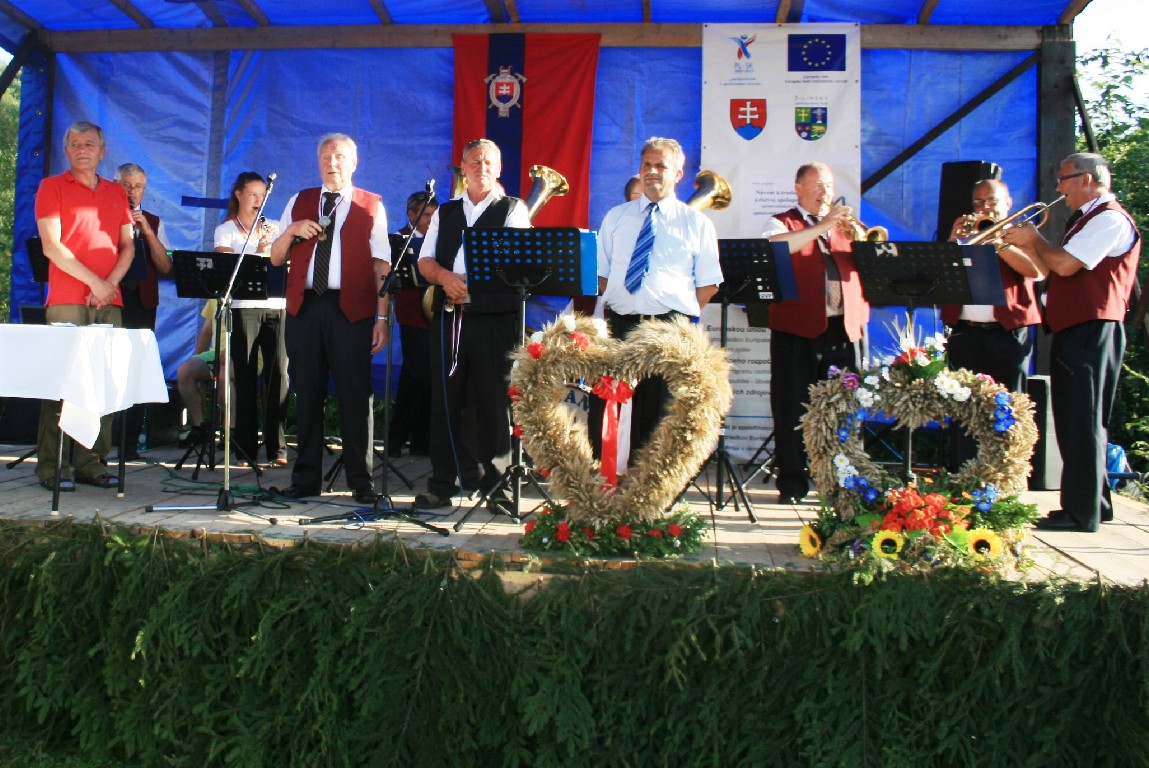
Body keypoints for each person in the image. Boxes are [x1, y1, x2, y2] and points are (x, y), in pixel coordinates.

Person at [1001, 152, 1141, 532]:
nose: (1058, 187)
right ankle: (1094, 504)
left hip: (1092, 328)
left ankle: (1080, 513)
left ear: (1087, 179)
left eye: (1064, 179)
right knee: (1078, 418)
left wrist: (1034, 238)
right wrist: (1026, 245)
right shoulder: (1086, 218)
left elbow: (1064, 265)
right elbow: (1055, 266)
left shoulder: (1109, 218)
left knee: (1083, 419)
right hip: (1078, 327)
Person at [269, 134, 391, 504]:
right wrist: (292, 231)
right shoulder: (298, 200)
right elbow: (275, 257)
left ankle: (361, 481)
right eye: (325, 156)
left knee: (355, 395)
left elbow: (381, 265)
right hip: (305, 308)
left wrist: (382, 317)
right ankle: (306, 479)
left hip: (350, 308)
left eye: (339, 157)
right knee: (307, 394)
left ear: (354, 163)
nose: (331, 163)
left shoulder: (371, 204)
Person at [591, 137, 723, 466]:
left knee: (658, 419)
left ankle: (651, 489)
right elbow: (601, 275)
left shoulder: (696, 223)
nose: (652, 171)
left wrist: (675, 318)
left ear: (678, 174)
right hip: (621, 328)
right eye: (646, 165)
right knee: (612, 415)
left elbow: (708, 285)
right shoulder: (616, 217)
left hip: (668, 332)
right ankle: (610, 485)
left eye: (660, 166)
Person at [413, 138, 530, 511]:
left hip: (495, 322)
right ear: (462, 168)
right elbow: (425, 261)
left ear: (499, 169)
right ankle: (442, 484)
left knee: (495, 403)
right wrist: (446, 279)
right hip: (450, 318)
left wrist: (473, 286)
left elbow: (518, 265)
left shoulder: (513, 209)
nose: (482, 167)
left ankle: (498, 488)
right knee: (445, 401)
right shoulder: (445, 212)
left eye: (488, 162)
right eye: (474, 161)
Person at [32, 121, 134, 492]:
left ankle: (91, 464)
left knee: (101, 383)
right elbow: (51, 246)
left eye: (89, 143)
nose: (82, 149)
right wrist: (95, 283)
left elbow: (128, 246)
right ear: (66, 151)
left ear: (102, 151)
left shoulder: (116, 192)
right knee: (62, 382)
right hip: (67, 299)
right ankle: (53, 466)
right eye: (74, 144)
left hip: (109, 300)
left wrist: (109, 286)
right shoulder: (52, 186)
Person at [762, 162, 869, 504]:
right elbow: (775, 247)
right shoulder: (782, 221)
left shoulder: (845, 227)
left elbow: (870, 266)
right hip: (796, 330)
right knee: (792, 406)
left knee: (843, 407)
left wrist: (860, 241)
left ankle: (842, 482)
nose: (826, 192)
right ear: (798, 188)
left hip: (842, 329)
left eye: (829, 186)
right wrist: (822, 227)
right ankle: (793, 483)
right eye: (818, 185)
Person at [942, 178, 1045, 468]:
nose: (984, 206)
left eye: (991, 201)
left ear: (1008, 203)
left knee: (1008, 407)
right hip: (965, 332)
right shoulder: (966, 233)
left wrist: (999, 243)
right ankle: (962, 472)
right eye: (978, 201)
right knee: (963, 407)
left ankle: (1005, 475)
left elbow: (1037, 271)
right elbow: (942, 273)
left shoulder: (1022, 233)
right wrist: (953, 241)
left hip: (1007, 333)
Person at [214, 171, 289, 468]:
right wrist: (258, 251)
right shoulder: (225, 230)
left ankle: (277, 447)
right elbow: (225, 270)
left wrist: (277, 250)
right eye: (253, 194)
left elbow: (288, 262)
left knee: (278, 375)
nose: (258, 200)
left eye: (262, 195)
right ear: (239, 195)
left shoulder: (275, 227)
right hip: (244, 308)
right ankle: (244, 449)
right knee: (244, 376)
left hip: (277, 306)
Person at [113, 162, 172, 460]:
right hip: (112, 299)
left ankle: (129, 444)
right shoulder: (104, 214)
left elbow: (165, 266)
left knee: (135, 370)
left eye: (137, 187)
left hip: (142, 303)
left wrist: (147, 231)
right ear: (116, 185)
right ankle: (101, 441)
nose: (132, 191)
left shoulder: (154, 221)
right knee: (109, 366)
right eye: (126, 185)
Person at [387, 191, 438, 458]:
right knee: (416, 376)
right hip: (413, 316)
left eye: (433, 215)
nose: (430, 220)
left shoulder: (441, 237)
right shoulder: (399, 239)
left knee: (429, 378)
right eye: (425, 215)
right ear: (411, 214)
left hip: (437, 315)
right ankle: (397, 437)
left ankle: (422, 441)